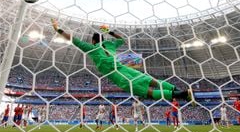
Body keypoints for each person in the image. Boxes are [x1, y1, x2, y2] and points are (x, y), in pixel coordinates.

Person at [51, 19, 192, 102]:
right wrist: (109, 31)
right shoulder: (110, 44)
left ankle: (183, 94)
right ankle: (182, 91)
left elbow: (73, 39)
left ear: (93, 41)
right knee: (151, 81)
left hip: (117, 75)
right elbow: (122, 39)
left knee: (145, 91)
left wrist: (58, 29)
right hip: (125, 68)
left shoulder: (91, 48)